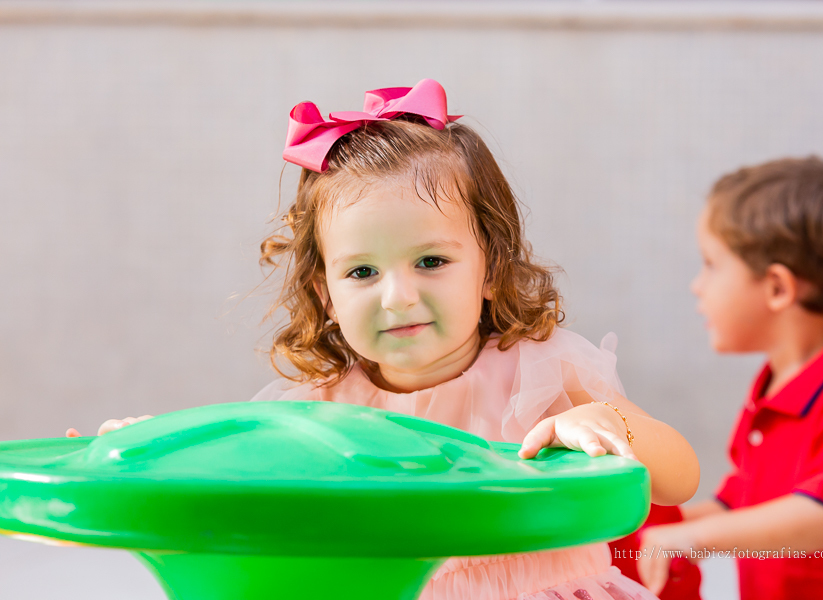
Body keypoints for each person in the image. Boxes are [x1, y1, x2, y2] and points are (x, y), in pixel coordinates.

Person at [68, 79, 700, 600]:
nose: (397, 296)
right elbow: (237, 487)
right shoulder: (318, 407)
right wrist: (153, 450)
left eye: (430, 262)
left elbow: (680, 478)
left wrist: (605, 419)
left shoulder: (544, 370)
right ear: (325, 295)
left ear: (491, 266)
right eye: (362, 272)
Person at [637, 157, 823, 599]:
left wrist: (695, 540)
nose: (696, 286)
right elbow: (740, 501)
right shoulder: (774, 386)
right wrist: (643, 529)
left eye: (711, 265)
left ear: (778, 288)